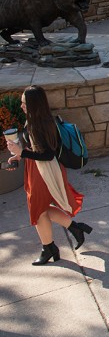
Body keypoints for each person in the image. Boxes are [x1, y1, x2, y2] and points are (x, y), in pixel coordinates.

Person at [4, 86, 92, 266]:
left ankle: (52, 245)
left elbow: (47, 155)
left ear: (33, 104)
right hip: (36, 169)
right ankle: (66, 234)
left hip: (44, 172)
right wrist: (19, 155)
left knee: (38, 210)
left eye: (24, 103)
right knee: (40, 210)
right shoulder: (36, 121)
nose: (21, 107)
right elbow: (37, 149)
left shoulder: (41, 124)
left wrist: (23, 153)